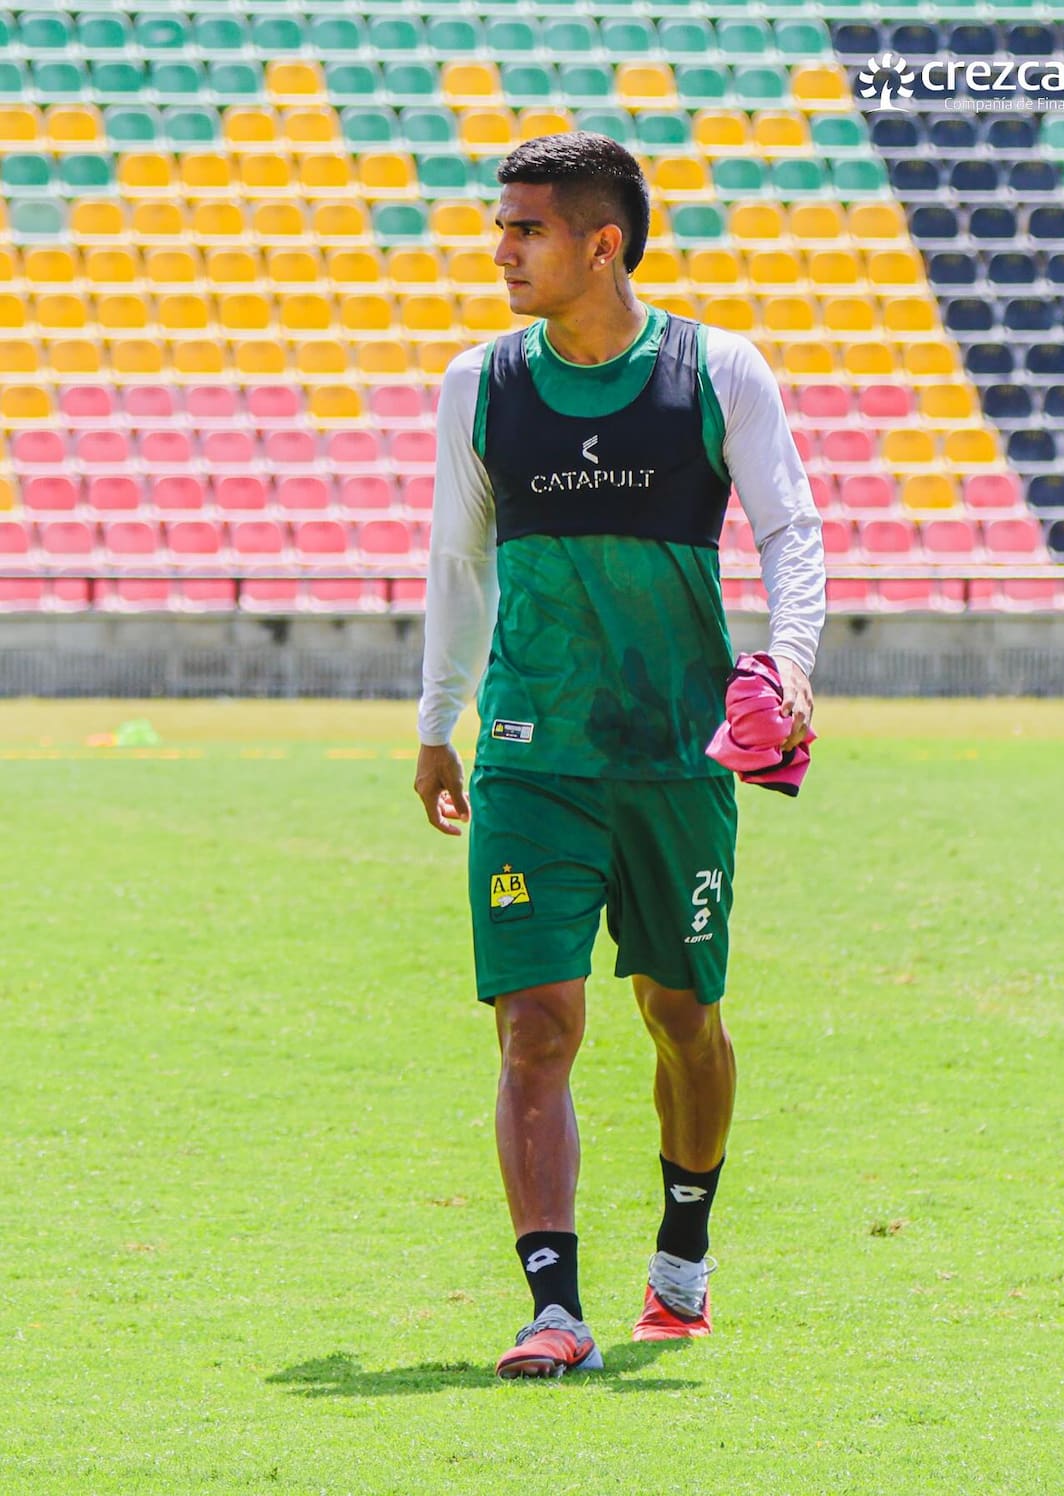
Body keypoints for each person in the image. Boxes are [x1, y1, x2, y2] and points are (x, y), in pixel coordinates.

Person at [414, 133, 825, 1379]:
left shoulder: (716, 371)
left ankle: (682, 1259)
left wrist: (791, 665)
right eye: (501, 227)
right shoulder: (479, 383)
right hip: (533, 754)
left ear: (603, 243)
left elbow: (790, 531)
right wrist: (440, 719)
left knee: (682, 1015)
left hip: (675, 755)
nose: (501, 251)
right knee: (534, 1027)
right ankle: (554, 1307)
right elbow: (460, 564)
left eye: (526, 230)